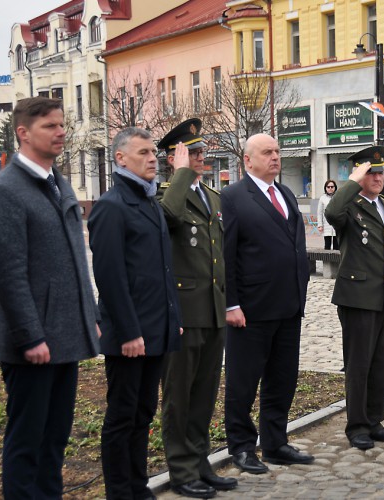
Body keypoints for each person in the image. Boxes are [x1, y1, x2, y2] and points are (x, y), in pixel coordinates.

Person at [0, 97, 101, 498]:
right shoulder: (4, 191)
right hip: (33, 344)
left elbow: (75, 263)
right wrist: (31, 337)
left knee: (55, 441)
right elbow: (9, 274)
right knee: (27, 443)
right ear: (23, 133)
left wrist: (91, 314)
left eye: (62, 124)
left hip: (65, 336)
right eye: (50, 125)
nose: (61, 131)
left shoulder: (58, 182)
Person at [89, 127, 182, 499]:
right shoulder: (111, 206)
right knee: (121, 416)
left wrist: (172, 322)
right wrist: (128, 332)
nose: (152, 158)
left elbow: (162, 270)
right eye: (142, 152)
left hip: (156, 330)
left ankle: (137, 485)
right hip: (130, 335)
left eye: (153, 153)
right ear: (120, 158)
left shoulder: (149, 202)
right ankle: (119, 491)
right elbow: (110, 278)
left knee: (143, 414)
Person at [220, 133, 312, 474]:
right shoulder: (231, 198)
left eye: (277, 151)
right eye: (267, 152)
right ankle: (242, 447)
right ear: (248, 160)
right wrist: (231, 304)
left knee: (282, 379)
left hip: (288, 306)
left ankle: (276, 442)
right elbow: (226, 255)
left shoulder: (285, 193)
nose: (275, 157)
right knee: (243, 383)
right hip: (251, 310)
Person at [156, 120, 234, 498]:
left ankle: (200, 461)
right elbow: (167, 221)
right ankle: (181, 470)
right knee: (179, 397)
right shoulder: (165, 196)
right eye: (193, 153)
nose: (202, 159)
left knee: (204, 394)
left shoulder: (213, 198)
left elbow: (218, 257)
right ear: (174, 158)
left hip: (213, 310)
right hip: (184, 314)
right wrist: (180, 175)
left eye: (203, 153)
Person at [325, 145, 384, 450]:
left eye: (381, 171)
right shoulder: (349, 206)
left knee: (383, 362)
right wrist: (352, 182)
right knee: (359, 364)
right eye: (371, 172)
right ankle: (356, 425)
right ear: (359, 174)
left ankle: (375, 420)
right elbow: (332, 212)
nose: (378, 177)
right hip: (357, 296)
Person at [317, 179, 339, 250]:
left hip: (337, 225)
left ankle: (336, 261)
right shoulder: (322, 198)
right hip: (326, 225)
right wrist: (320, 225)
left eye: (332, 187)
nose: (330, 188)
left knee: (337, 246)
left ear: (335, 187)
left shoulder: (338, 197)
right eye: (328, 187)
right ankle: (326, 261)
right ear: (325, 188)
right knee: (327, 245)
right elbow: (319, 212)